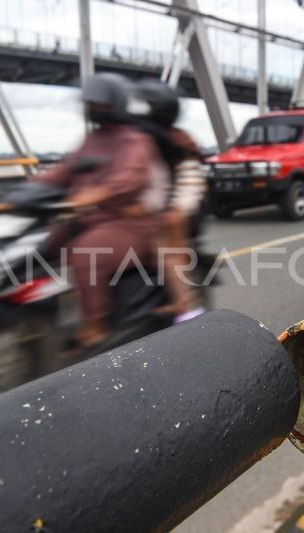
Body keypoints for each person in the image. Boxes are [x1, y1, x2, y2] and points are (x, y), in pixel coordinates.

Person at [36, 73, 168, 350]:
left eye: (101, 104)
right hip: (93, 218)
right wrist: (28, 189)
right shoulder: (93, 138)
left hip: (130, 222)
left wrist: (98, 193)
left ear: (116, 104)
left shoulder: (134, 139)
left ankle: (95, 325)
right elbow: (65, 169)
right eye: (91, 104)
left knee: (86, 253)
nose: (95, 110)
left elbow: (130, 177)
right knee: (44, 245)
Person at [135, 79, 207, 323]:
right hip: (152, 207)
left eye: (147, 106)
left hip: (182, 209)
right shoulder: (137, 137)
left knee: (165, 235)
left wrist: (175, 209)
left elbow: (189, 184)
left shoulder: (178, 141)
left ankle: (184, 305)